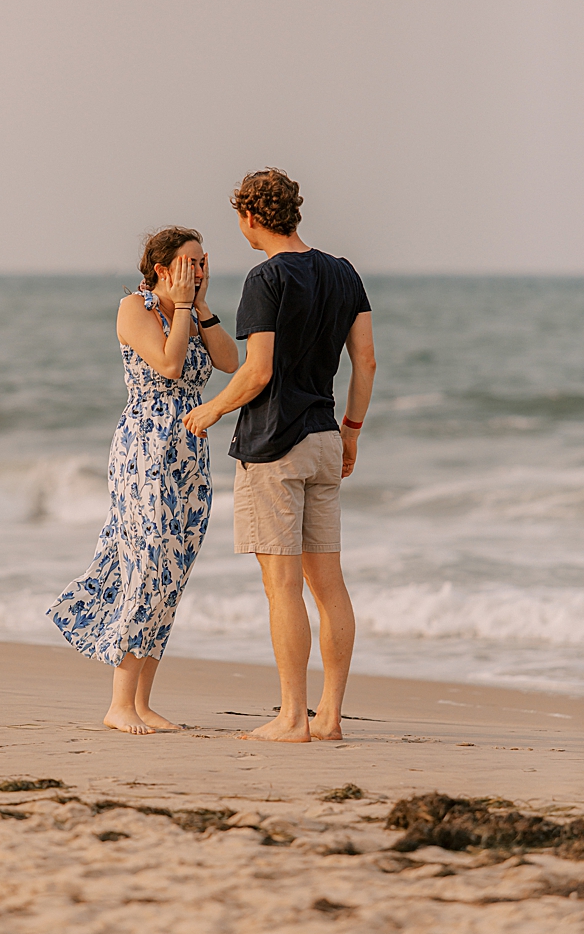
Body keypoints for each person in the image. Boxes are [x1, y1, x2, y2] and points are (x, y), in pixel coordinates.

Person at [184, 168, 376, 744]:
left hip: (273, 446)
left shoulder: (265, 277)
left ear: (249, 217)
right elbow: (364, 363)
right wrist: (352, 431)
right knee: (330, 585)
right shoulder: (344, 273)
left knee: (283, 588)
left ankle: (293, 717)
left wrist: (213, 409)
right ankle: (331, 717)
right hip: (322, 439)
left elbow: (259, 370)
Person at [50, 226, 241, 732]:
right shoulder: (133, 308)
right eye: (190, 263)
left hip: (191, 451)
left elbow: (230, 361)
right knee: (147, 563)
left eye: (203, 263)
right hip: (147, 449)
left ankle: (142, 701)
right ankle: (119, 703)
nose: (199, 271)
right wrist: (180, 308)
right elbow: (170, 364)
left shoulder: (193, 311)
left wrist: (200, 307)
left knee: (172, 572)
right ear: (162, 268)